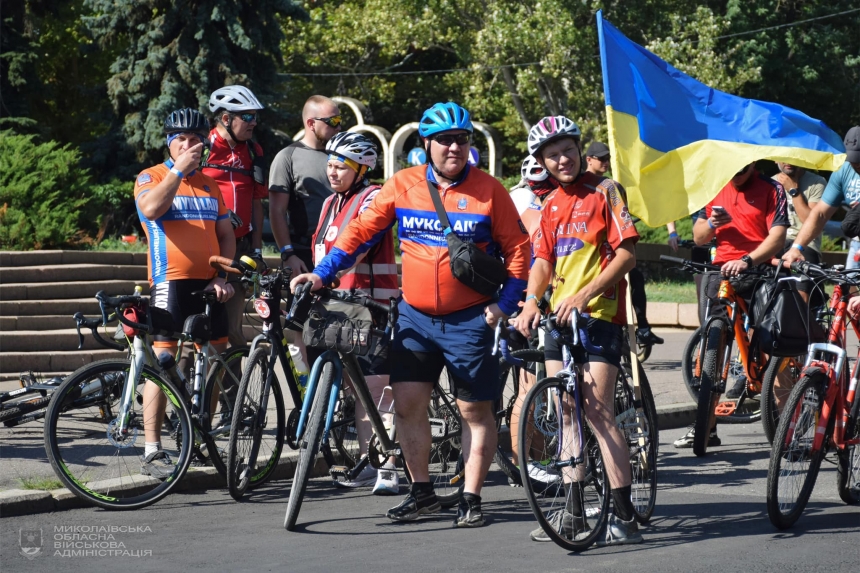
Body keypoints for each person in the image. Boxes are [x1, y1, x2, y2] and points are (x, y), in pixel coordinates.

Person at [292, 102, 530, 528]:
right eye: (444, 140)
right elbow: (360, 233)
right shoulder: (403, 185)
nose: (453, 147)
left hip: (470, 319)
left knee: (475, 413)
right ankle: (422, 492)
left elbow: (519, 253)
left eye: (461, 139)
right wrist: (322, 274)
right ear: (427, 144)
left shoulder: (490, 191)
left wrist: (504, 305)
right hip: (416, 319)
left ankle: (471, 498)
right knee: (406, 406)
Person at [514, 116, 643, 547]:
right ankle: (571, 512)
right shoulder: (549, 203)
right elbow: (543, 262)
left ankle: (624, 515)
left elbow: (626, 254)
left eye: (567, 150)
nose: (562, 159)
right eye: (552, 155)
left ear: (579, 151)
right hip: (559, 318)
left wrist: (586, 294)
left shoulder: (604, 191)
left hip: (599, 316)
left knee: (597, 412)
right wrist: (532, 300)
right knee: (566, 410)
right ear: (542, 162)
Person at [133, 108, 236, 478]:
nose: (189, 146)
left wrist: (223, 275)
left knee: (215, 357)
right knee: (162, 365)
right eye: (182, 140)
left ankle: (201, 434)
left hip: (209, 285)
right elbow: (150, 208)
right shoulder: (152, 176)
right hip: (169, 283)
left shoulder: (211, 185)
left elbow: (226, 236)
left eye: (195, 140)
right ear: (169, 143)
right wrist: (178, 169)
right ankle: (151, 448)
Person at [311, 131, 401, 495]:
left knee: (377, 388)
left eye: (341, 166)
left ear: (362, 168)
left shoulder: (372, 197)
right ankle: (368, 460)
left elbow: (359, 246)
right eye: (329, 164)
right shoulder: (329, 202)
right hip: (335, 306)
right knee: (355, 388)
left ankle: (389, 467)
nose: (332, 172)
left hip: (370, 305)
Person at [674, 161, 788, 447]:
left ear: (751, 165)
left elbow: (777, 237)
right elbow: (700, 237)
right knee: (712, 346)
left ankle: (787, 427)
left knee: (772, 344)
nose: (735, 177)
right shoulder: (715, 186)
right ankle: (706, 427)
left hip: (757, 269)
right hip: (722, 272)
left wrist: (748, 259)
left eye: (741, 171)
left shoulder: (772, 188)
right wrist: (713, 223)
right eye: (731, 171)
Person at [505, 155, 557, 485]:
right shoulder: (537, 210)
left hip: (518, 300)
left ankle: (530, 462)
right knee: (530, 386)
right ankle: (526, 463)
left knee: (530, 386)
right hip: (531, 303)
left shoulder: (518, 200)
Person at [203, 85, 267, 349]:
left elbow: (256, 201)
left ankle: (234, 391)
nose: (254, 123)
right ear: (226, 118)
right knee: (196, 328)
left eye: (255, 117)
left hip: (239, 249)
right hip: (205, 248)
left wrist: (257, 249)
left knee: (233, 331)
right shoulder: (202, 147)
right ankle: (182, 389)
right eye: (248, 117)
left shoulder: (254, 152)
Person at [584, 141, 663, 347]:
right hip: (590, 259)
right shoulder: (583, 189)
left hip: (614, 254)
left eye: (607, 158)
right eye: (600, 158)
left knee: (635, 276)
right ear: (588, 160)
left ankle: (643, 328)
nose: (605, 162)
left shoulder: (612, 186)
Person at [269, 95, 343, 272]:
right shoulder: (287, 157)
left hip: (341, 251)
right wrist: (288, 255)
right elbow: (276, 211)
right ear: (311, 124)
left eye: (340, 120)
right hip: (304, 254)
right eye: (332, 121)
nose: (338, 127)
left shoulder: (343, 156)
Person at [782, 126, 860, 268]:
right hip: (857, 242)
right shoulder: (843, 170)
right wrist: (796, 247)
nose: (856, 163)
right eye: (853, 158)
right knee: (850, 285)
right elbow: (820, 213)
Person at [771, 162, 826, 264]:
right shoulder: (770, 183)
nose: (789, 162)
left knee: (805, 277)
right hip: (776, 241)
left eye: (793, 157)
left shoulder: (817, 182)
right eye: (785, 157)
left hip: (806, 244)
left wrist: (794, 191)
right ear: (776, 159)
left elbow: (811, 222)